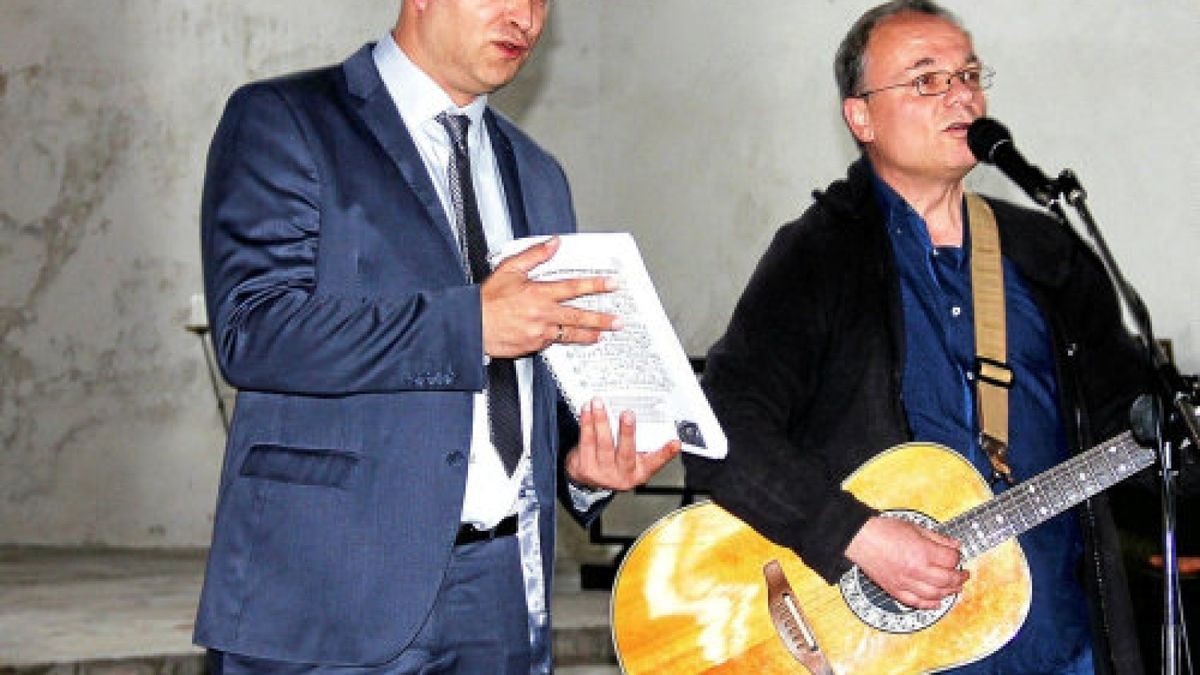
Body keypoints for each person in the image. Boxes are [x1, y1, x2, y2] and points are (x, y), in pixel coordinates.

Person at [193, 1, 680, 673]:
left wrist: (580, 469)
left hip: (499, 598)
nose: (526, 18)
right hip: (327, 593)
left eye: (541, 0)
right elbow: (256, 327)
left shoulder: (537, 172)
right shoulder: (288, 120)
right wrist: (471, 323)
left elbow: (537, 378)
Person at [685, 1, 1156, 673]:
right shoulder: (818, 255)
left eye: (968, 74)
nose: (960, 94)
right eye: (926, 79)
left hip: (1056, 643)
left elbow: (1136, 424)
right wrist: (854, 534)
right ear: (861, 116)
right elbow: (721, 429)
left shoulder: (1046, 254)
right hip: (881, 651)